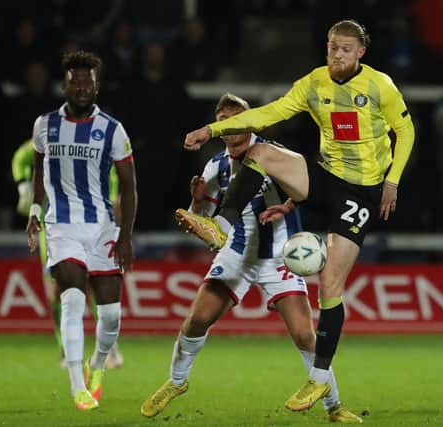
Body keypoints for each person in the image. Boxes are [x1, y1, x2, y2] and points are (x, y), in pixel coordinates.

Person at [183, 20, 415, 412]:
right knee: (260, 153)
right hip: (325, 177)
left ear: (361, 52)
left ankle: (319, 379)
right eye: (331, 47)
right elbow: (267, 114)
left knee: (329, 285)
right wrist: (212, 129)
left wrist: (392, 182)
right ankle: (218, 225)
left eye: (344, 49)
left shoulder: (380, 86)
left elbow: (405, 133)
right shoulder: (314, 83)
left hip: (361, 189)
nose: (336, 54)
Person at [140, 93, 362, 423]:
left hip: (280, 259)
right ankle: (175, 382)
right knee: (196, 320)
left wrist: (289, 207)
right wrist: (197, 202)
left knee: (304, 335)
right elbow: (200, 221)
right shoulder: (215, 166)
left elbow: (308, 191)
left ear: (251, 120)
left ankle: (334, 407)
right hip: (236, 255)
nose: (230, 127)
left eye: (237, 118)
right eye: (223, 120)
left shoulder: (273, 155)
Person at [26, 51, 137, 411]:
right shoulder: (44, 126)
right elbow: (39, 174)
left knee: (110, 317)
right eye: (75, 81)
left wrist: (125, 236)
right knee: (71, 299)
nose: (81, 87)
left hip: (102, 228)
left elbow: (129, 186)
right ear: (65, 84)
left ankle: (98, 365)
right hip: (61, 227)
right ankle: (77, 386)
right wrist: (34, 211)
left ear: (97, 86)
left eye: (87, 82)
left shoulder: (113, 129)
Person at [12, 138, 125, 369]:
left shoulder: (99, 161)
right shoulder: (51, 146)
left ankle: (109, 347)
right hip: (55, 231)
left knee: (95, 286)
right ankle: (65, 348)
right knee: (55, 293)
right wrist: (23, 184)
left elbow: (114, 201)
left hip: (93, 229)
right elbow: (20, 157)